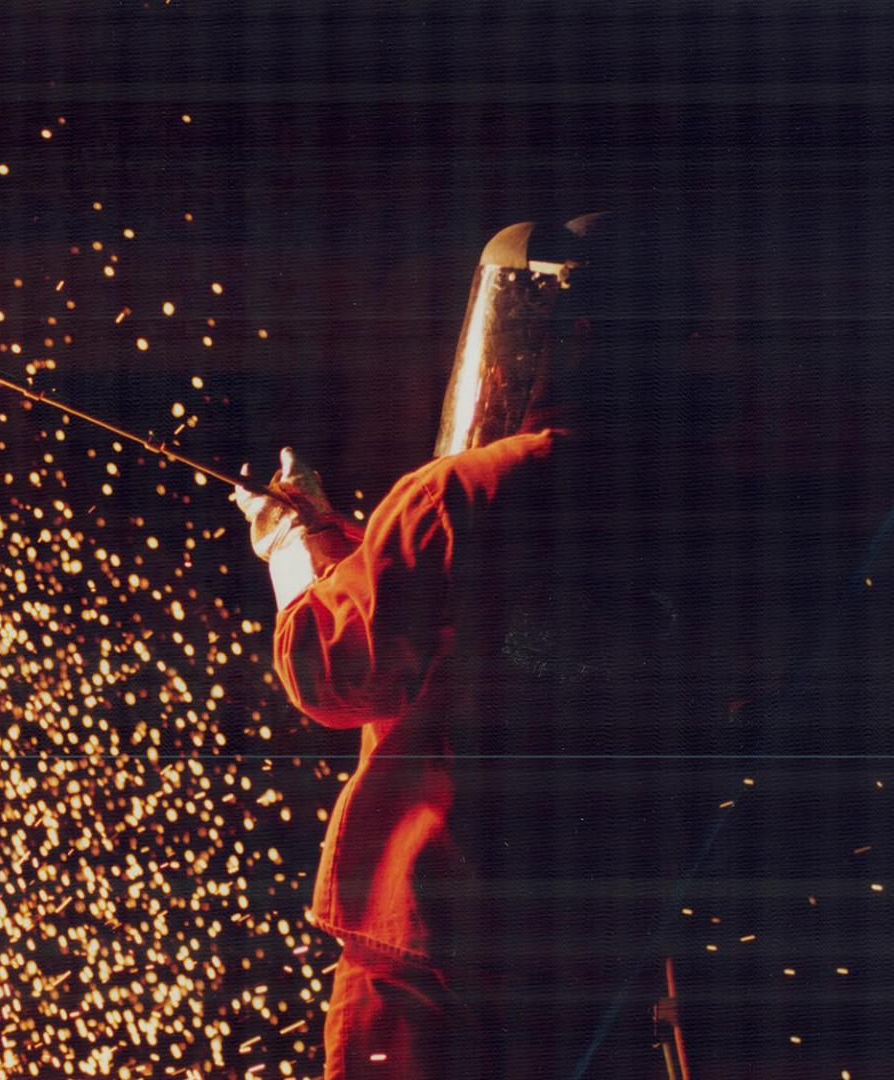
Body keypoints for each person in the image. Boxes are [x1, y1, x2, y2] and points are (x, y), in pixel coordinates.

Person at [235, 213, 768, 1078]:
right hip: (610, 945)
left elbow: (334, 675)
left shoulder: (463, 493)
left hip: (440, 941)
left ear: (572, 336)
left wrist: (290, 550)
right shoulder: (714, 509)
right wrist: (352, 552)